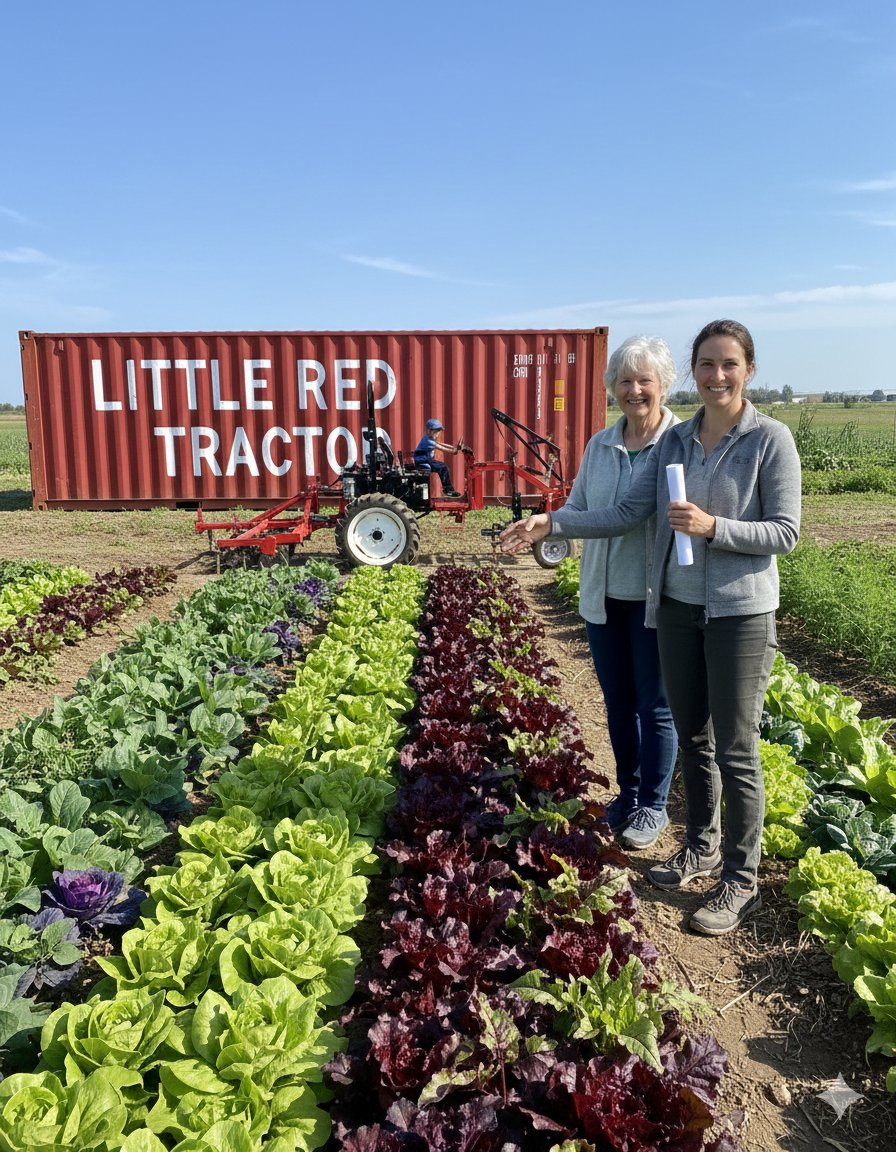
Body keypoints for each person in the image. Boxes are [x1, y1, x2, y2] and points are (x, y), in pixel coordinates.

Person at [500, 319, 801, 936]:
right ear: (694, 371)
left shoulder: (770, 439)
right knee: (692, 736)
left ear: (748, 370)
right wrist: (550, 525)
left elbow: (785, 533)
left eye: (730, 364)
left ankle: (740, 880)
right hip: (676, 607)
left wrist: (715, 527)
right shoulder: (676, 443)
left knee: (737, 748)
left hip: (740, 613)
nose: (718, 375)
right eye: (708, 364)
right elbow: (626, 510)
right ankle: (700, 846)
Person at [566, 336, 680, 851]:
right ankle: (628, 794)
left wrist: (550, 525)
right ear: (611, 389)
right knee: (617, 704)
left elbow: (621, 517)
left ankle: (654, 805)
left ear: (662, 385)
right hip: (603, 596)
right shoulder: (599, 445)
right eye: (624, 381)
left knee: (655, 706)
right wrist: (547, 525)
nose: (634, 390)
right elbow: (580, 507)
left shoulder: (680, 442)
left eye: (644, 380)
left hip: (658, 597)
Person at [414, 418, 462, 497]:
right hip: (422, 461)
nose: (437, 434)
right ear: (429, 431)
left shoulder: (429, 438)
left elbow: (441, 444)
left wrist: (454, 447)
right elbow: (441, 448)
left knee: (443, 467)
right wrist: (454, 451)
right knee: (443, 467)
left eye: (438, 432)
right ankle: (448, 490)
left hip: (425, 460)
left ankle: (448, 489)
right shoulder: (428, 441)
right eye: (435, 432)